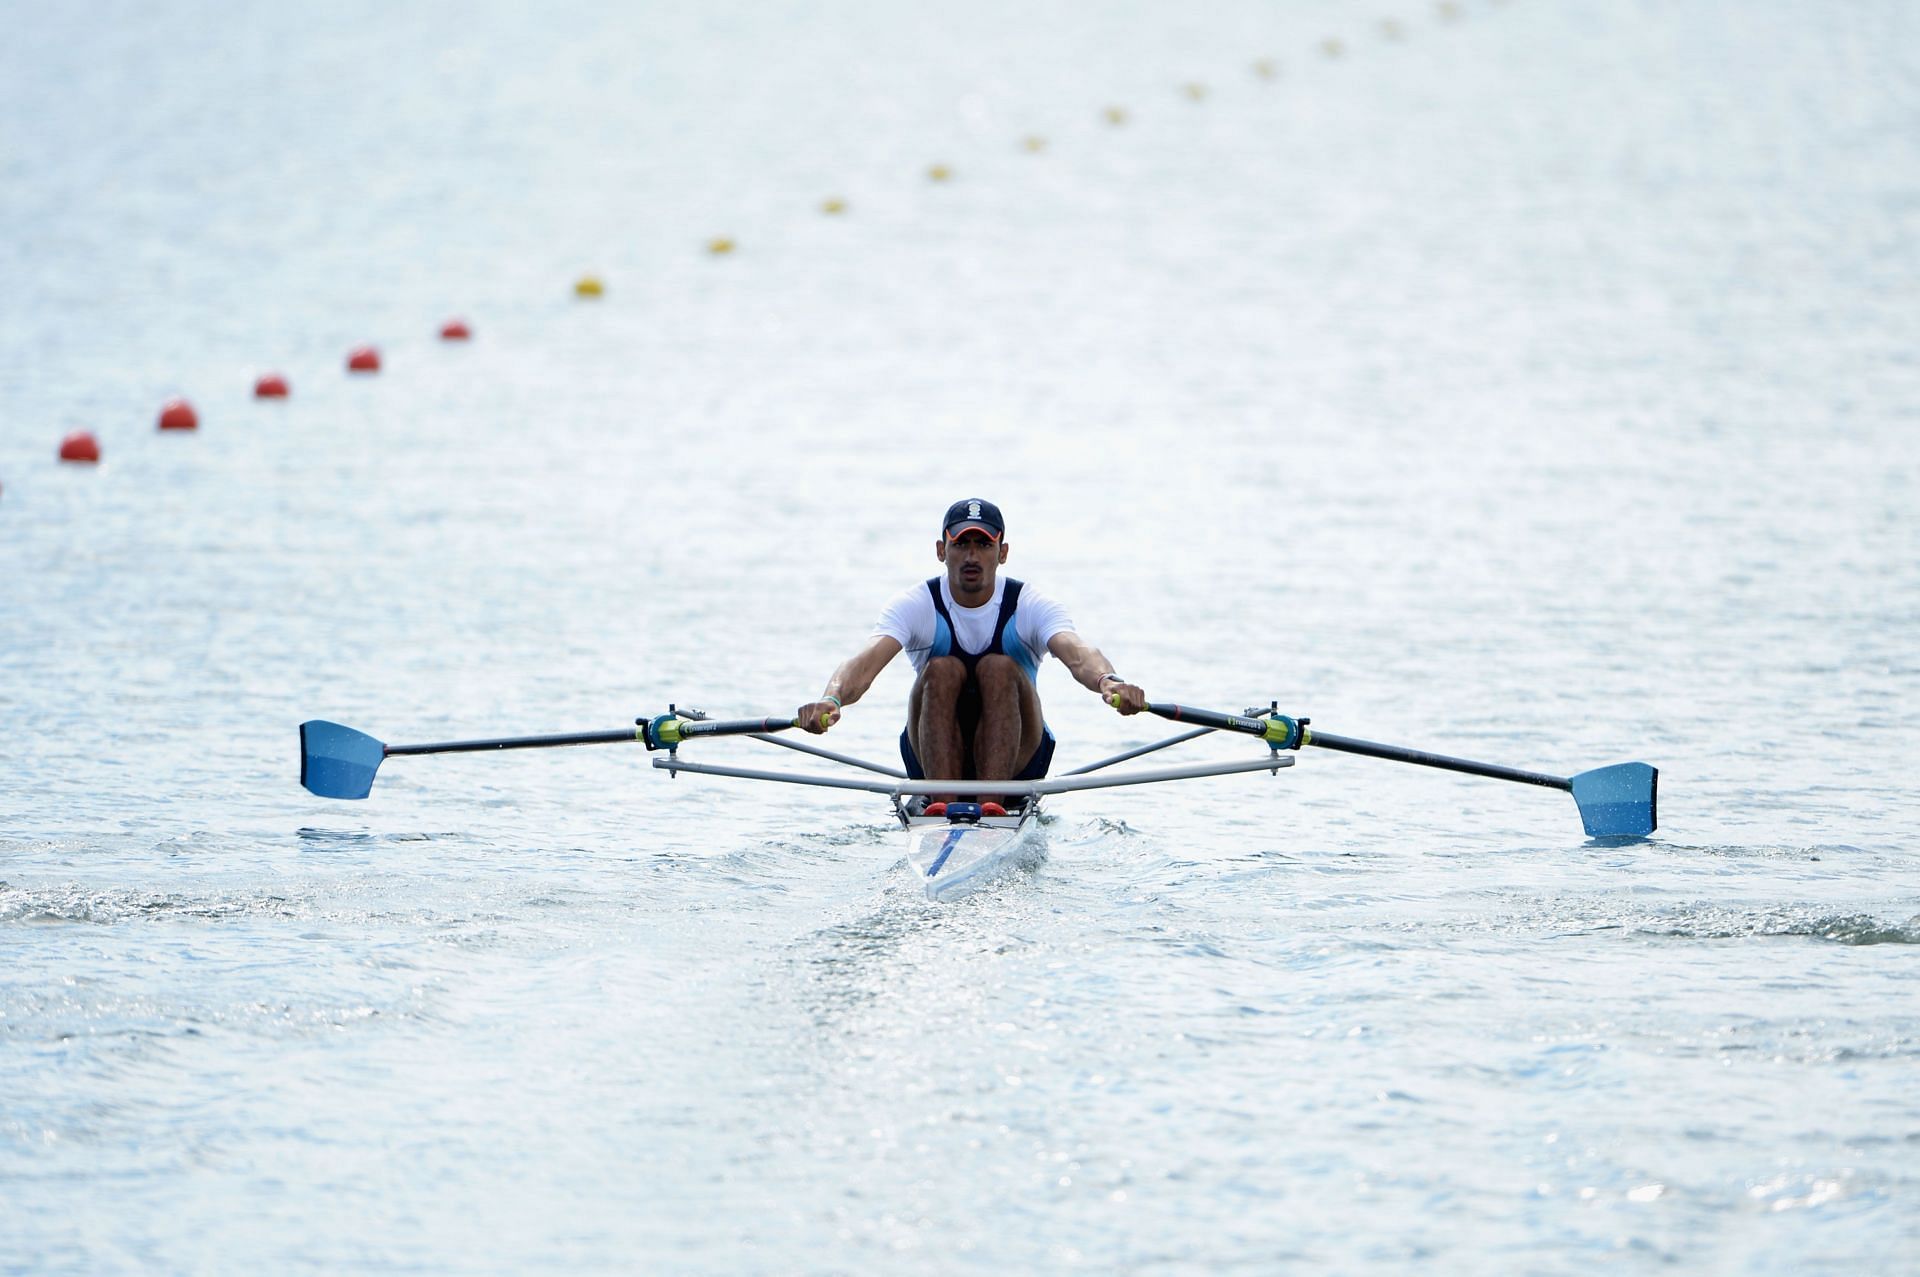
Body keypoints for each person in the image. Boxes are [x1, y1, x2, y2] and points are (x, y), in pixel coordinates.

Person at [796, 499, 1147, 807]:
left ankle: (991, 804)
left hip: (1018, 762)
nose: (972, 556)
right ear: (941, 550)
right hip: (932, 758)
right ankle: (943, 804)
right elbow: (864, 664)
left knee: (998, 667)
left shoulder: (1029, 605)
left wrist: (1108, 681)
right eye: (961, 544)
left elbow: (1078, 653)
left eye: (983, 544)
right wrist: (832, 699)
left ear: (1003, 553)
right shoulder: (916, 604)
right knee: (941, 670)